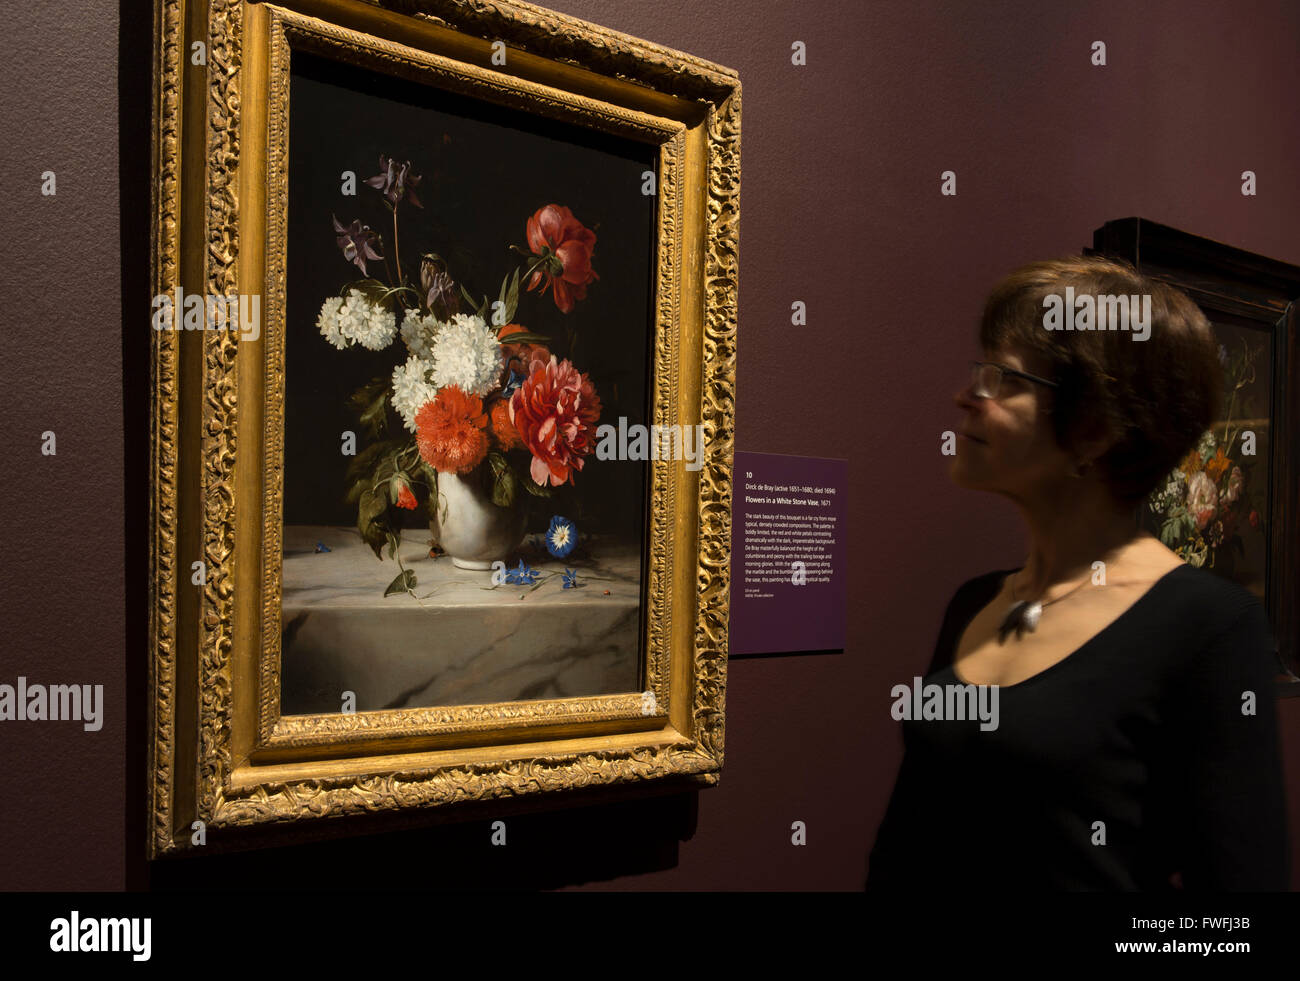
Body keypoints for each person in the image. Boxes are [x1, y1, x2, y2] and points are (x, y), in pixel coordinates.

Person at [867, 256, 1287, 890]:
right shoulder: (975, 601)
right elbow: (905, 853)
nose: (966, 395)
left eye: (1001, 379)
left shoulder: (1210, 627)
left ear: (1094, 430)